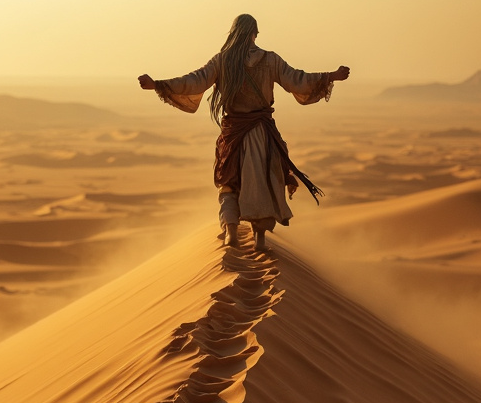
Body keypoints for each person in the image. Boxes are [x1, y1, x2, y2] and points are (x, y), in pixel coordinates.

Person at [139, 14, 350, 250]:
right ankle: (259, 239)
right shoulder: (270, 60)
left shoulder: (222, 61)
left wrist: (157, 84)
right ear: (255, 34)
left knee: (228, 184)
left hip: (233, 136)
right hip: (263, 134)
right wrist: (331, 76)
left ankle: (231, 232)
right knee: (265, 183)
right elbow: (298, 80)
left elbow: (194, 81)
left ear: (233, 32)